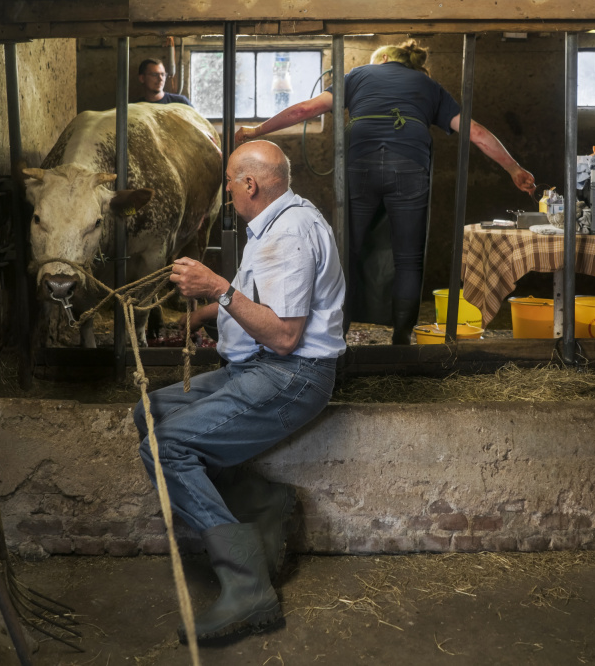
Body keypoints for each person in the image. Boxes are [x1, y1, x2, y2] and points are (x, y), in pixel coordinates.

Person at [133, 140, 345, 642]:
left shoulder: (288, 234)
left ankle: (249, 589)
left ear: (249, 184)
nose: (226, 191)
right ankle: (262, 504)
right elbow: (266, 300)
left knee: (164, 448)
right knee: (150, 411)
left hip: (290, 376)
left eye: (229, 181)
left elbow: (285, 336)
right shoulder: (282, 216)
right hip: (258, 366)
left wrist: (217, 289)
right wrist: (206, 314)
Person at [236, 39, 536, 344]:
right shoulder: (429, 85)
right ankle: (402, 339)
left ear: (382, 60)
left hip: (361, 166)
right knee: (408, 258)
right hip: (410, 168)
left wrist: (256, 131)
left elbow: (305, 108)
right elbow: (477, 132)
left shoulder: (358, 75)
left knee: (347, 252)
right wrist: (514, 168)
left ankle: (335, 333)